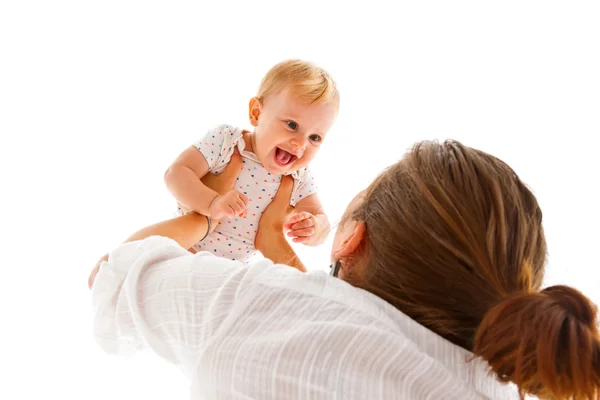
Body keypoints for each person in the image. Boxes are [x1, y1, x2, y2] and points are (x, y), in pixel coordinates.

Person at [89, 140, 600, 399]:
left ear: (351, 238)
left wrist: (206, 218)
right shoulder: (493, 386)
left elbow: (114, 277)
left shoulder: (254, 302)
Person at [162, 59, 339, 263]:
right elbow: (176, 173)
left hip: (232, 273)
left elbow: (321, 218)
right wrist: (212, 202)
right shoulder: (227, 142)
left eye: (314, 138)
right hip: (182, 251)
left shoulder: (298, 177)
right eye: (292, 125)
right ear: (257, 113)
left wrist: (315, 229)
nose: (300, 143)